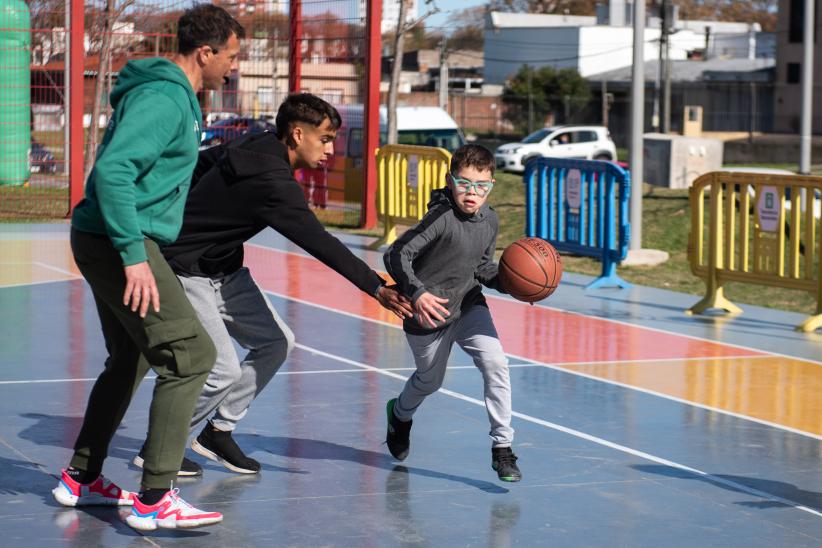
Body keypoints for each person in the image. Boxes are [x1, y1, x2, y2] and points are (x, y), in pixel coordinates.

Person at [129, 93, 413, 477]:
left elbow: (201, 163)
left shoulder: (254, 142)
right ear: (297, 134)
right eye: (325, 139)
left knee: (277, 342)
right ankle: (159, 447)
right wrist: (376, 287)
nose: (331, 149)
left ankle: (218, 431)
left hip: (223, 267)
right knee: (221, 370)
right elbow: (319, 241)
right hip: (186, 267)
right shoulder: (273, 183)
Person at [51, 5, 244, 531]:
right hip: (120, 240)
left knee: (132, 357)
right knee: (191, 354)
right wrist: (134, 256)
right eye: (230, 55)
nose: (232, 67)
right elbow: (113, 172)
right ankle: (156, 497)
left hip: (106, 236)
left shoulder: (169, 95)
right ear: (205, 52)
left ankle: (83, 477)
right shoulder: (164, 98)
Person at [383, 144, 522, 482]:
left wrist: (509, 282)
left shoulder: (490, 219)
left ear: (491, 186)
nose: (472, 193)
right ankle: (400, 415)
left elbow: (483, 268)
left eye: (481, 186)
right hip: (428, 312)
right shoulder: (441, 218)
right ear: (450, 180)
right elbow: (395, 254)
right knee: (430, 382)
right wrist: (418, 293)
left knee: (496, 363)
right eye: (464, 183)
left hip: (468, 303)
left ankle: (502, 448)